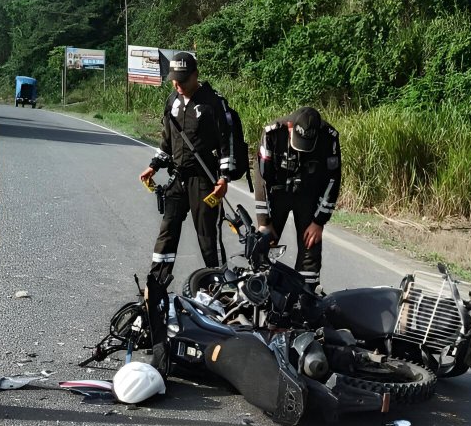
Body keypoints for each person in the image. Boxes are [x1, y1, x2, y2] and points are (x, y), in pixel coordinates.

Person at [138, 52, 238, 288]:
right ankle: (156, 283)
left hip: (205, 181)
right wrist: (154, 166)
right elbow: (167, 140)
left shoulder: (213, 103)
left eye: (182, 80)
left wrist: (224, 179)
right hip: (178, 177)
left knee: (207, 236)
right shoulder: (172, 100)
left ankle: (219, 286)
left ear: (195, 75)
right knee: (168, 230)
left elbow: (227, 144)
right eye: (174, 80)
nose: (177, 85)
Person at [252, 107, 341, 289]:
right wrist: (264, 221)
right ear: (290, 127)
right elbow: (262, 179)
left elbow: (333, 180)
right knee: (264, 244)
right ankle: (259, 290)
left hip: (308, 196)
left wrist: (319, 221)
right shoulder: (272, 133)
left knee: (310, 250)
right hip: (278, 193)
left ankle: (306, 296)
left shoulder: (329, 137)